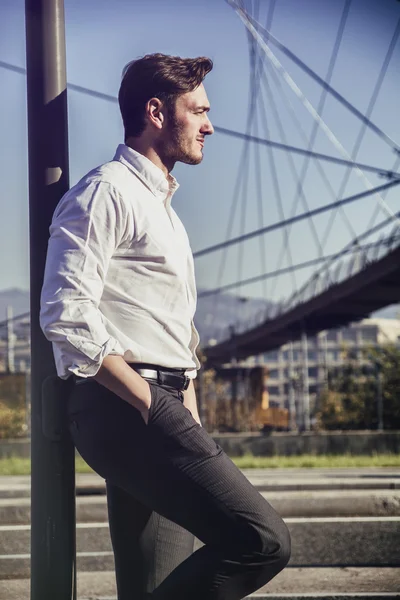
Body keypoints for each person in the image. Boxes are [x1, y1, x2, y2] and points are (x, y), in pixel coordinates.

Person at [40, 53, 291, 600]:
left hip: (159, 404)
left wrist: (186, 406)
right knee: (263, 540)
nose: (210, 125)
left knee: (149, 585)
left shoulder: (164, 211)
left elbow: (173, 328)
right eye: (198, 110)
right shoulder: (106, 191)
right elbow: (65, 312)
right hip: (127, 407)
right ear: (156, 112)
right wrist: (150, 403)